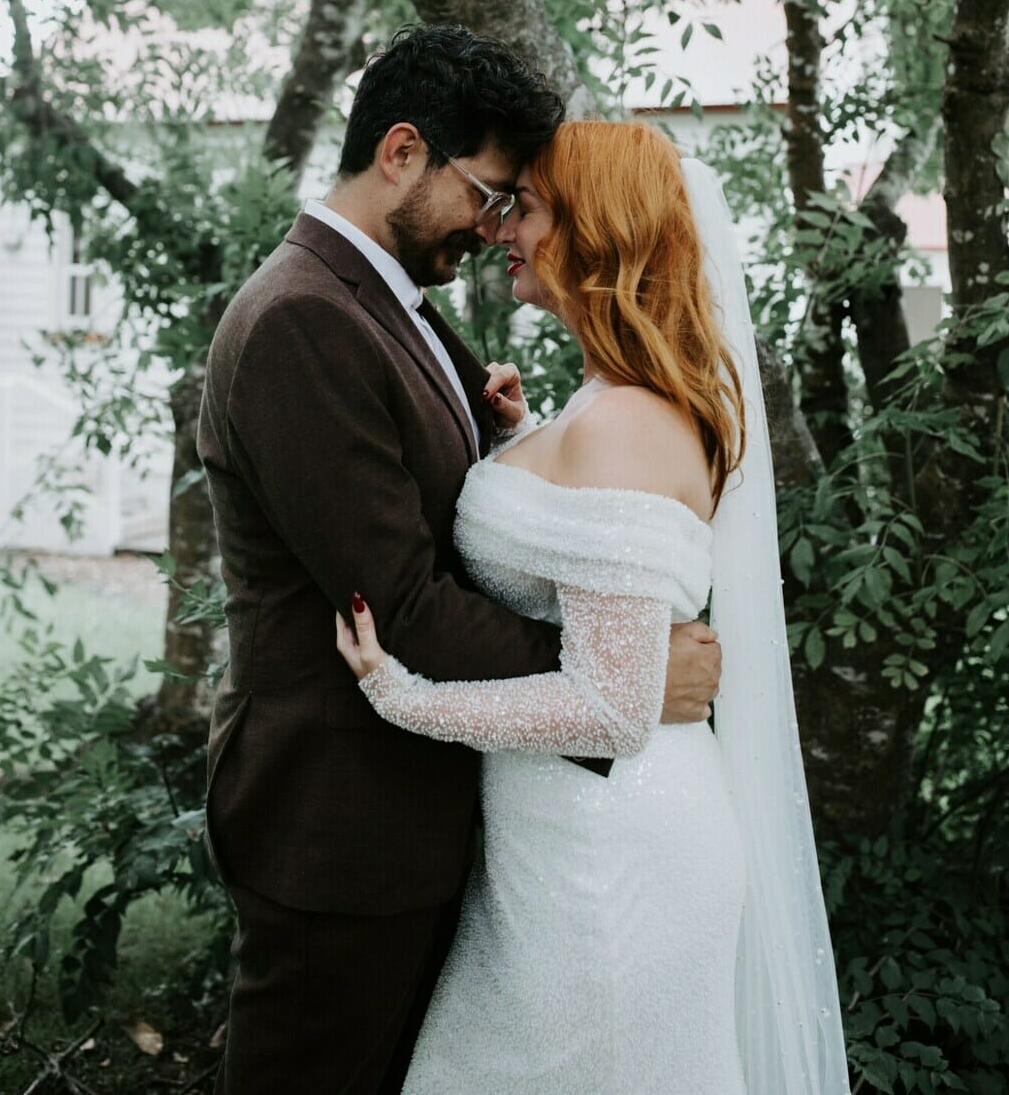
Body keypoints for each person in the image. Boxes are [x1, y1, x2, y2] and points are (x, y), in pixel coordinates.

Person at [196, 28, 723, 1095]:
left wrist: (514, 451)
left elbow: (427, 516)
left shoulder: (393, 307)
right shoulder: (302, 318)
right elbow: (400, 606)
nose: (493, 230)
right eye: (486, 194)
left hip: (433, 825)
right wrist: (619, 673)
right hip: (338, 829)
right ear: (401, 152)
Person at [337, 120, 851, 1094]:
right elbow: (587, 565)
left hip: (606, 869)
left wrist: (409, 700)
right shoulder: (604, 401)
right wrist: (524, 437)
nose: (501, 230)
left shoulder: (623, 423)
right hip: (560, 851)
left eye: (524, 209)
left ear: (592, 230)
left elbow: (611, 709)